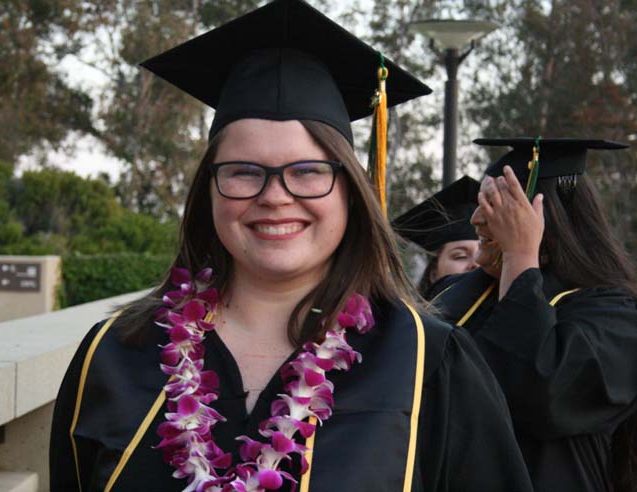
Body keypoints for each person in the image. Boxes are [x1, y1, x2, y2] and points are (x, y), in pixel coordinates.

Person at [49, 1, 533, 491]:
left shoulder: (429, 360)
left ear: (350, 191)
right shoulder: (114, 354)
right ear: (208, 191)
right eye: (244, 172)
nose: (275, 197)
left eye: (307, 171)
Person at [428, 137, 637, 492]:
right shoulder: (452, 297)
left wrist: (520, 258)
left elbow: (540, 396)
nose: (476, 219)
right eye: (481, 203)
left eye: (493, 205)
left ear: (545, 219)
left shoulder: (614, 315)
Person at [392, 176, 480, 299]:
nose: (476, 264)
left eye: (483, 254)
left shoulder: (509, 314)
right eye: (461, 256)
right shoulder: (412, 318)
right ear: (433, 273)